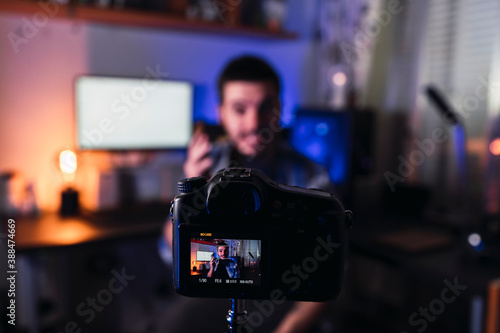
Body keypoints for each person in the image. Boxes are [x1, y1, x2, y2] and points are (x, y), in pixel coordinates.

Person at [162, 55, 334, 333]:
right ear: (221, 113)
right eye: (240, 109)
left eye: (265, 107)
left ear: (279, 109)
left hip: (285, 298)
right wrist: (192, 195)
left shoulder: (315, 178)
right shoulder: (203, 166)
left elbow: (328, 268)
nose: (254, 123)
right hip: (216, 293)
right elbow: (172, 253)